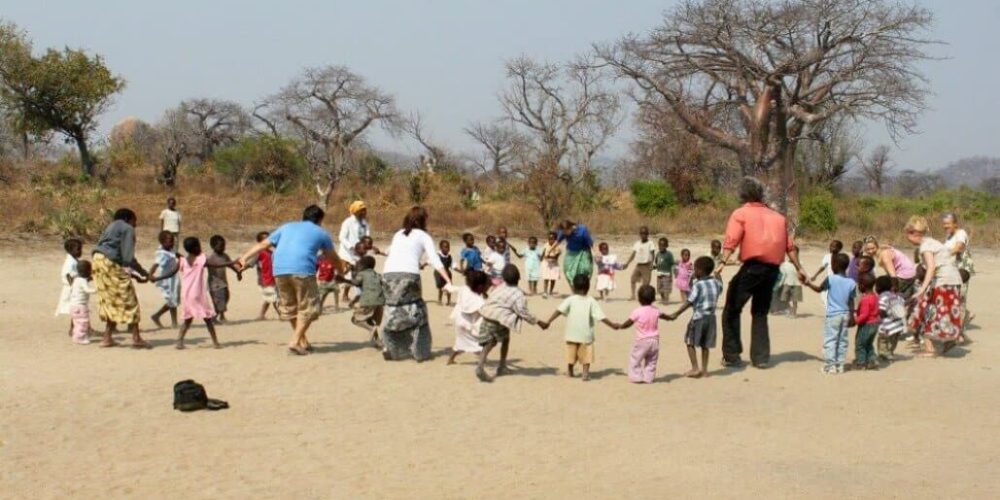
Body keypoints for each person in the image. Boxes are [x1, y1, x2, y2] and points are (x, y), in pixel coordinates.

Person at [717, 177, 806, 368]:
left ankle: (732, 355)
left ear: (743, 194)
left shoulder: (740, 213)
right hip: (773, 270)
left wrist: (722, 261)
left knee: (732, 308)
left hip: (752, 267)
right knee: (760, 312)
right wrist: (800, 268)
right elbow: (790, 247)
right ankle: (761, 358)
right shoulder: (778, 217)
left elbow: (732, 239)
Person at [236, 205, 339, 356]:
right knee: (309, 308)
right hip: (303, 270)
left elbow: (264, 244)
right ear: (320, 220)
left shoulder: (287, 227)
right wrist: (341, 269)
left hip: (279, 271)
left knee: (290, 307)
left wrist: (244, 257)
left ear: (303, 216)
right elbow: (332, 256)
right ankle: (295, 342)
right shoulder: (320, 232)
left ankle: (302, 341)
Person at [381, 206, 453, 362]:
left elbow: (389, 252)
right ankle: (420, 352)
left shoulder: (398, 234)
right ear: (423, 220)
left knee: (393, 310)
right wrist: (447, 280)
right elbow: (435, 259)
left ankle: (390, 346)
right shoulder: (423, 236)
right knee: (418, 311)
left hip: (388, 275)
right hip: (408, 275)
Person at [154, 237, 238, 350]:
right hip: (198, 294)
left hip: (186, 295)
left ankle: (179, 341)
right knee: (208, 320)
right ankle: (215, 342)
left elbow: (171, 272)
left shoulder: (182, 260)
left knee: (187, 320)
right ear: (196, 247)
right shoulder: (201, 259)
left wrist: (157, 278)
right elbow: (216, 264)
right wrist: (232, 262)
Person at [539, 273, 620, 382]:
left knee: (571, 355)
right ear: (588, 287)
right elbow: (601, 317)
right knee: (586, 356)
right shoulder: (591, 301)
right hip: (586, 335)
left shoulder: (570, 299)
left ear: (574, 287)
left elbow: (559, 311)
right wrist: (612, 325)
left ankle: (570, 371)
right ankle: (585, 373)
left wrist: (548, 321)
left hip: (571, 334)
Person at [905, 216, 964, 358]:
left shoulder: (925, 246)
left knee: (928, 313)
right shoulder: (931, 242)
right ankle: (950, 339)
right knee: (941, 313)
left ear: (913, 232)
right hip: (951, 281)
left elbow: (931, 268)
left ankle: (931, 348)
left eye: (907, 234)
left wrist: (922, 289)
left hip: (943, 282)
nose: (907, 238)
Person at [92, 208, 152, 349]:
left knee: (110, 300)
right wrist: (143, 273)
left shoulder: (111, 226)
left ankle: (107, 338)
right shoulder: (127, 228)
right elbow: (127, 258)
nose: (135, 225)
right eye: (134, 221)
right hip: (109, 263)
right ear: (128, 218)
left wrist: (138, 274)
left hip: (97, 262)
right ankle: (136, 338)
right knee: (129, 298)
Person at [477, 264, 539, 382]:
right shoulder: (518, 294)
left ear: (504, 279)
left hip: (487, 316)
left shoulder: (500, 287)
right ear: (519, 278)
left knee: (494, 342)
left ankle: (489, 365)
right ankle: (496, 366)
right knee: (498, 341)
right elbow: (523, 312)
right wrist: (538, 322)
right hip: (498, 321)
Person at [666, 256, 722, 378]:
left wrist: (676, 313)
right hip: (711, 318)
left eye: (695, 270)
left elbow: (690, 301)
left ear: (700, 271)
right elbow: (720, 286)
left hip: (699, 317)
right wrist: (718, 274)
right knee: (705, 344)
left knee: (689, 341)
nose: (693, 272)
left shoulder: (698, 285)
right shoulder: (716, 283)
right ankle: (705, 370)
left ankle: (695, 368)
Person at [803, 253, 855, 374]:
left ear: (834, 265)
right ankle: (840, 365)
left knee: (830, 340)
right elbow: (851, 300)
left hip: (833, 315)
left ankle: (830, 366)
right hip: (846, 314)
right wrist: (852, 315)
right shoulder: (851, 282)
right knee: (842, 341)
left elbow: (819, 289)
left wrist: (808, 284)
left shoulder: (831, 279)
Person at [616, 285, 668, 384]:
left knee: (635, 359)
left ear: (639, 298)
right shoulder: (656, 310)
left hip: (642, 340)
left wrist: (621, 326)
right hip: (654, 340)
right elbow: (665, 316)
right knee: (652, 361)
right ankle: (648, 378)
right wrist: (672, 317)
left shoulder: (637, 311)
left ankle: (636, 377)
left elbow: (629, 323)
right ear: (653, 298)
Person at [447, 270, 490, 365]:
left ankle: (451, 359)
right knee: (480, 344)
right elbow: (485, 313)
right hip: (468, 324)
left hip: (459, 321)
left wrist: (447, 287)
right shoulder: (479, 301)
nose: (488, 287)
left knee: (460, 343)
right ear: (480, 287)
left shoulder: (465, 289)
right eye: (487, 286)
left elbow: (454, 288)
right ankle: (482, 363)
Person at [342, 255, 385, 348]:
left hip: (368, 301)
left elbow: (356, 283)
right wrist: (353, 302)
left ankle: (371, 329)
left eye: (358, 264)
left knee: (356, 319)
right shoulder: (376, 274)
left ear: (363, 266)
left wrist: (343, 279)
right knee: (369, 320)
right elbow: (380, 285)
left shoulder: (362, 274)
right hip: (380, 301)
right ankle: (378, 342)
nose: (357, 266)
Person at [942, 212, 974, 335]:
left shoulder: (961, 233)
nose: (945, 226)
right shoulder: (948, 236)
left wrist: (943, 255)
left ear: (955, 224)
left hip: (962, 270)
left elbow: (959, 247)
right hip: (950, 271)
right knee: (952, 297)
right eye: (944, 224)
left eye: (948, 224)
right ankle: (965, 315)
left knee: (959, 297)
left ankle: (958, 331)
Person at [338, 201, 370, 303]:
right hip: (347, 254)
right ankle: (345, 294)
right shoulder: (347, 222)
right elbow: (341, 237)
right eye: (362, 210)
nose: (364, 212)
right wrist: (352, 247)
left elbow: (367, 236)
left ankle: (359, 295)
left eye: (365, 210)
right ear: (355, 211)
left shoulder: (365, 223)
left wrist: (366, 246)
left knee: (358, 274)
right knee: (349, 275)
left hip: (360, 253)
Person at [207, 235, 242, 323]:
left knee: (226, 297)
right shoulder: (211, 258)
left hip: (223, 281)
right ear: (213, 247)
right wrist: (233, 262)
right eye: (220, 246)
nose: (223, 248)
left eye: (224, 246)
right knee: (219, 300)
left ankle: (222, 316)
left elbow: (229, 265)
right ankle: (213, 318)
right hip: (214, 283)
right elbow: (221, 265)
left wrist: (237, 272)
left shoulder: (224, 256)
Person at [149, 231, 180, 329]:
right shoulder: (162, 254)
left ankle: (158, 316)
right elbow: (155, 265)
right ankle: (172, 322)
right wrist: (150, 275)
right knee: (172, 300)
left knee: (173, 299)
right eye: (169, 241)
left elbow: (178, 255)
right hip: (167, 280)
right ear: (162, 242)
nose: (172, 243)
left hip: (174, 278)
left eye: (173, 241)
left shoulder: (171, 250)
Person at [555, 219, 594, 289]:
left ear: (571, 227)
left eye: (566, 231)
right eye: (563, 232)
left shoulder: (582, 230)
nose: (565, 233)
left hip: (583, 252)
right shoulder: (563, 231)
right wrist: (549, 251)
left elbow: (590, 243)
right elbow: (558, 241)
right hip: (571, 253)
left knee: (584, 270)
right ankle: (574, 289)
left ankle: (583, 289)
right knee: (568, 271)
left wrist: (594, 253)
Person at [55, 238, 83, 336]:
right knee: (77, 308)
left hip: (75, 288)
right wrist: (74, 286)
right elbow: (67, 275)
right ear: (70, 250)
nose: (80, 251)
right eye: (78, 249)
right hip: (71, 289)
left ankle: (75, 328)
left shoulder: (74, 260)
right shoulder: (69, 262)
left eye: (81, 249)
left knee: (78, 308)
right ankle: (75, 328)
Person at [875, 276, 906, 362]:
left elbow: (881, 311)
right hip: (898, 325)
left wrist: (877, 318)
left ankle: (883, 355)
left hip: (887, 325)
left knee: (883, 341)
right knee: (893, 341)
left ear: (878, 288)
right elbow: (902, 304)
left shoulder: (882, 297)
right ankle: (890, 353)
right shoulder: (896, 296)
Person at [853, 274, 880, 371]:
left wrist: (855, 320)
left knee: (860, 344)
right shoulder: (875, 296)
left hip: (866, 325)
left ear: (862, 285)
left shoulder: (865, 299)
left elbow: (864, 315)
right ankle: (872, 361)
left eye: (859, 284)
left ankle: (861, 363)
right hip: (875, 324)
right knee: (869, 343)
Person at [251, 231, 278, 320]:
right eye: (265, 239)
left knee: (269, 298)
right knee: (273, 298)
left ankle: (261, 315)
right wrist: (241, 268)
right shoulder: (259, 253)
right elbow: (251, 263)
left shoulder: (271, 252)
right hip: (264, 280)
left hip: (272, 278)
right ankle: (282, 314)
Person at [623, 226, 656, 300]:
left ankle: (646, 297)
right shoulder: (637, 243)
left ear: (647, 234)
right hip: (638, 265)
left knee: (646, 283)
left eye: (645, 233)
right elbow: (633, 254)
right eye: (641, 233)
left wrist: (652, 264)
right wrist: (627, 263)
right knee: (633, 279)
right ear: (640, 234)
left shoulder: (650, 243)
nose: (643, 235)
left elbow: (653, 254)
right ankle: (633, 295)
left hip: (646, 265)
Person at [68, 260, 96, 345]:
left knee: (77, 322)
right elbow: (87, 290)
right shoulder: (82, 281)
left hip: (73, 306)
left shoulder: (76, 279)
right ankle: (79, 338)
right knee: (82, 322)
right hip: (80, 306)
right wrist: (96, 290)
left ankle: (78, 335)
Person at [777, 252, 803, 318]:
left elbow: (803, 273)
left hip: (797, 284)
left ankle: (794, 313)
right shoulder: (785, 264)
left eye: (796, 254)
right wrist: (779, 283)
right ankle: (790, 309)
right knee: (784, 298)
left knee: (795, 300)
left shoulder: (800, 263)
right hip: (787, 283)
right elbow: (782, 274)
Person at [654, 237, 675, 304]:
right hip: (659, 275)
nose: (661, 247)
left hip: (667, 274)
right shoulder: (658, 254)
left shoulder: (669, 254)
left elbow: (672, 264)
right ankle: (663, 298)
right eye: (660, 245)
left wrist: (672, 274)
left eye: (663, 245)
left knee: (666, 288)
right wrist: (654, 267)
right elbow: (657, 263)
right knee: (660, 288)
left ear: (666, 246)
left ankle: (666, 299)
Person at [541, 232, 562, 298]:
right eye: (549, 239)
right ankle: (545, 292)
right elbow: (543, 253)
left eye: (552, 239)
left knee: (553, 279)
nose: (550, 240)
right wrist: (541, 258)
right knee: (546, 278)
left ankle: (550, 291)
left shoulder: (558, 247)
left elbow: (556, 257)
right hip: (546, 264)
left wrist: (548, 257)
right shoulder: (546, 245)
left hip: (554, 265)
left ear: (555, 240)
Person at [435, 240, 454, 306]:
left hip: (448, 273)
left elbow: (453, 265)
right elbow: (430, 261)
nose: (447, 249)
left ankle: (449, 301)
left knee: (449, 287)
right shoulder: (438, 255)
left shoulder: (449, 256)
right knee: (440, 287)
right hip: (439, 273)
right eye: (445, 247)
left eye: (448, 247)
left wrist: (460, 270)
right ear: (441, 248)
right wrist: (423, 265)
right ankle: (439, 300)